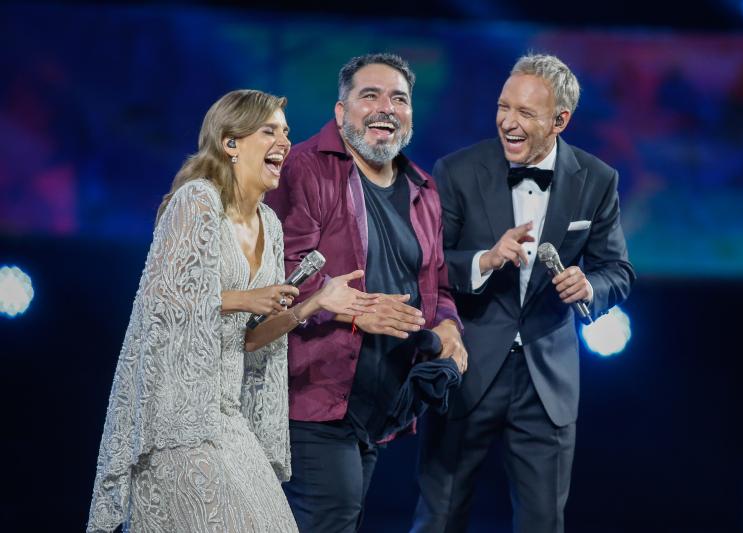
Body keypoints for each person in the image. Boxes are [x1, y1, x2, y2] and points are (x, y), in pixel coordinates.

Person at [87, 89, 377, 532]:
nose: (284, 141)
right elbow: (161, 301)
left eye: (286, 132)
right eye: (269, 131)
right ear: (231, 143)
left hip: (227, 415)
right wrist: (244, 299)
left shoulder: (271, 224)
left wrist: (312, 304)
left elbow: (249, 338)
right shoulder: (198, 200)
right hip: (178, 416)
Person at [412, 53, 636, 532]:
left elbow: (617, 271)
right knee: (440, 516)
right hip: (468, 367)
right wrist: (484, 260)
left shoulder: (597, 180)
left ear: (560, 121)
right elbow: (427, 266)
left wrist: (588, 285)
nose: (508, 123)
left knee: (542, 522)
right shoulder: (457, 171)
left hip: (547, 379)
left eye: (525, 114)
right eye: (503, 107)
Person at [265, 53, 467, 533]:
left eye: (399, 98)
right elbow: (280, 273)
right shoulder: (305, 169)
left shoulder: (424, 189)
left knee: (341, 519)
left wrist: (449, 327)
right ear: (341, 112)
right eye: (370, 95)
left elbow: (437, 284)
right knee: (332, 519)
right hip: (312, 396)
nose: (386, 108)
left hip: (380, 404)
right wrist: (357, 309)